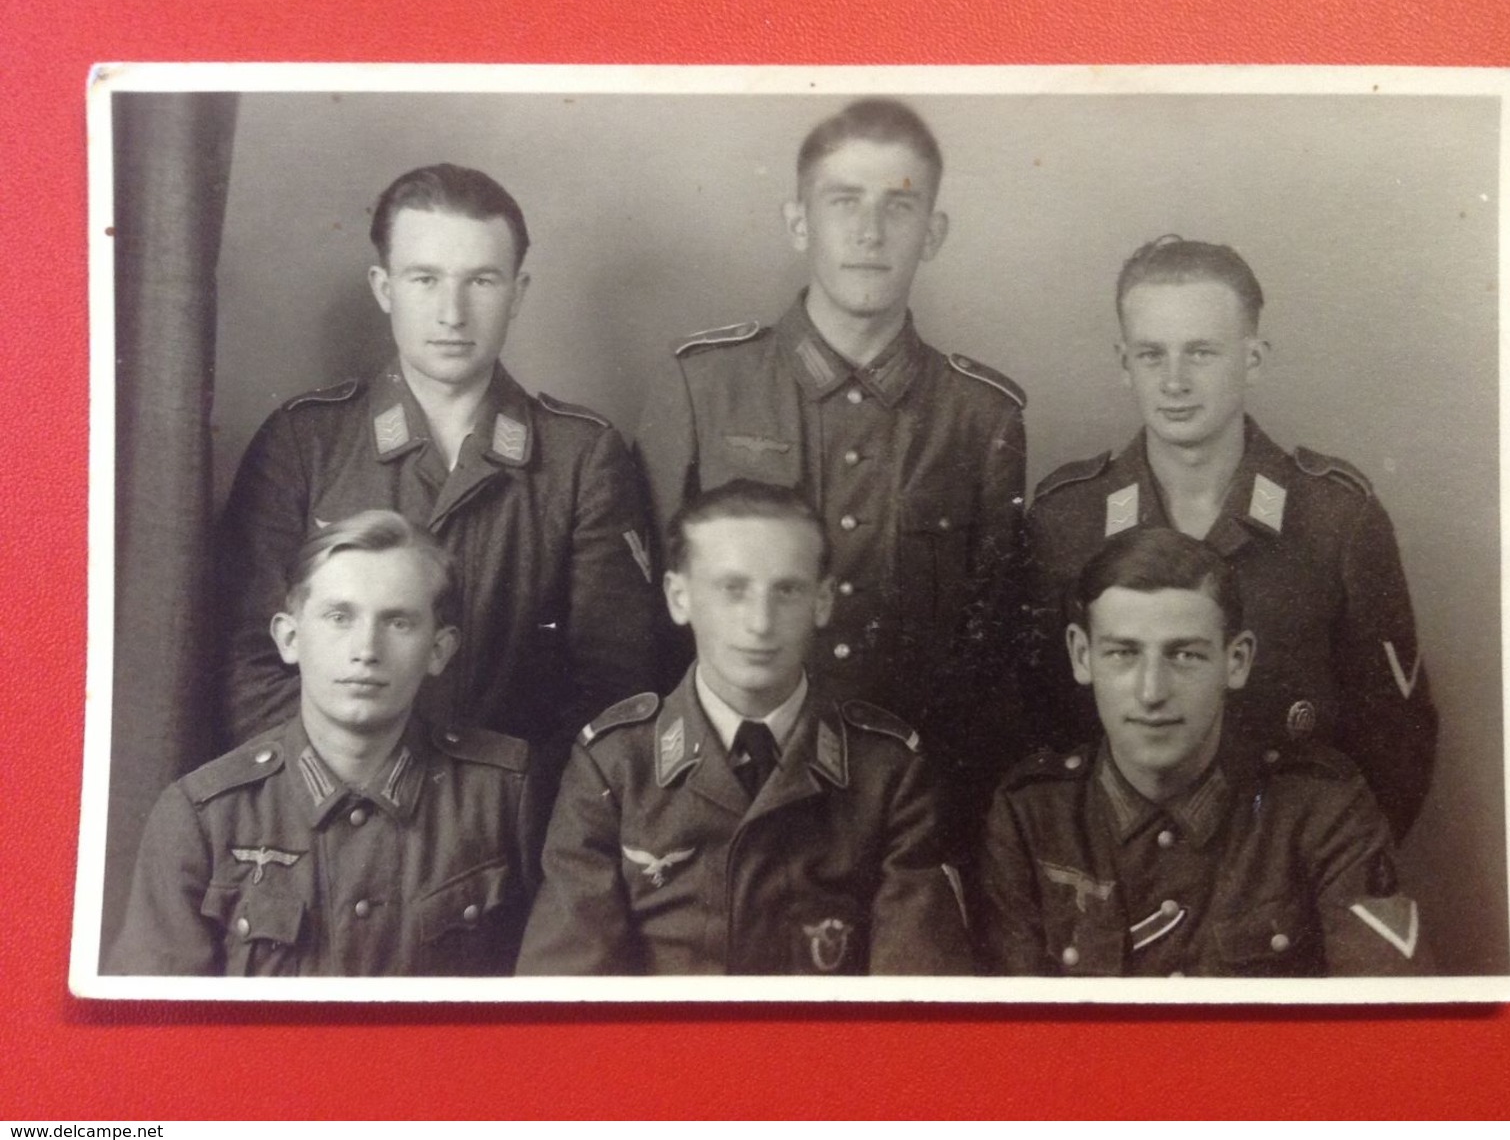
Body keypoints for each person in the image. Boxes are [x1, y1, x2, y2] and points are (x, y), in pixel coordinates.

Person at [632, 99, 1028, 843]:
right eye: (843, 201)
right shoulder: (703, 386)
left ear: (933, 233)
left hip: (905, 806)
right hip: (722, 799)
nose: (869, 233)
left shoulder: (980, 418)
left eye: (898, 207)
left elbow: (991, 654)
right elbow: (647, 623)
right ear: (797, 222)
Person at [216, 163, 659, 796]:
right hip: (325, 829)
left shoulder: (581, 457)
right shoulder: (304, 442)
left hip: (514, 835)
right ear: (383, 286)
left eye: (481, 280)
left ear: (519, 291)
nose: (452, 312)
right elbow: (253, 668)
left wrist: (484, 821)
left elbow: (612, 688)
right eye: (425, 279)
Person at [1026, 236, 1437, 839]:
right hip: (1110, 881)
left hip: (1291, 880)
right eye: (1150, 355)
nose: (1173, 381)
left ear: (1253, 359)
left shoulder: (1334, 521)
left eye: (1201, 353)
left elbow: (1396, 748)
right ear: (1122, 364)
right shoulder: (1068, 523)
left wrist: (1332, 876)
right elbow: (1032, 738)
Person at [517, 479, 973, 975]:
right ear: (679, 597)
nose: (760, 622)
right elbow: (563, 1002)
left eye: (788, 590)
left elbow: (917, 1009)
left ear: (822, 602)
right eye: (732, 590)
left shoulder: (888, 771)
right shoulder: (616, 765)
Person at [978, 527, 1425, 977]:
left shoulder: (1321, 811)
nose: (1152, 692)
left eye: (1185, 656)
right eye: (1122, 654)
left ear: (1237, 661)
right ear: (1081, 655)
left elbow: (1388, 1021)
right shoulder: (1030, 817)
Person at [110, 511, 540, 976]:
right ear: (291, 638)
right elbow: (154, 1033)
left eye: (398, 623)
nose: (366, 650)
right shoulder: (204, 816)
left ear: (438, 650)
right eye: (339, 617)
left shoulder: (504, 797)